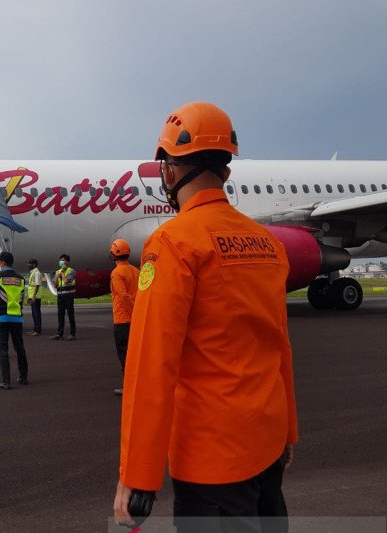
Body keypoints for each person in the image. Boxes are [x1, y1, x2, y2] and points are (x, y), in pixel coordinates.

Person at [113, 102, 298, 533]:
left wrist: (137, 476)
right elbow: (280, 345)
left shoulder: (173, 242)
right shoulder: (267, 242)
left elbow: (150, 365)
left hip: (212, 463)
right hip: (268, 445)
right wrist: (289, 428)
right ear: (226, 174)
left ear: (170, 174)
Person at [0, 251, 29, 389]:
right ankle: (23, 377)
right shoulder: (21, 279)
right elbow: (22, 298)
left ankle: (6, 381)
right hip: (17, 318)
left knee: (3, 351)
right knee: (20, 349)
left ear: (3, 263)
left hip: (1, 318)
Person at [109, 240, 139, 396]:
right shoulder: (136, 271)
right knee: (136, 354)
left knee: (125, 354)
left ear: (113, 255)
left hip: (123, 320)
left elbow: (123, 296)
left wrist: (134, 312)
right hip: (135, 320)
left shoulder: (116, 273)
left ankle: (129, 386)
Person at [51, 253, 76, 340]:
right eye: (60, 260)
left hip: (69, 296)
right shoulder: (57, 272)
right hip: (60, 296)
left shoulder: (71, 271)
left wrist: (62, 273)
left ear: (67, 262)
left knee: (70, 315)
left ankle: (72, 333)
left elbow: (65, 281)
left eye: (63, 260)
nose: (61, 262)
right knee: (60, 315)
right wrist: (57, 276)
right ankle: (59, 334)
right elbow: (55, 285)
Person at [26, 259, 42, 335]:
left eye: (30, 263)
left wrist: (33, 297)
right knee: (34, 314)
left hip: (36, 297)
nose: (28, 265)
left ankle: (37, 330)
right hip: (33, 296)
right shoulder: (33, 272)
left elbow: (37, 285)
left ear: (34, 264)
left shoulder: (36, 273)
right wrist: (30, 297)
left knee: (37, 314)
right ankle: (35, 329)